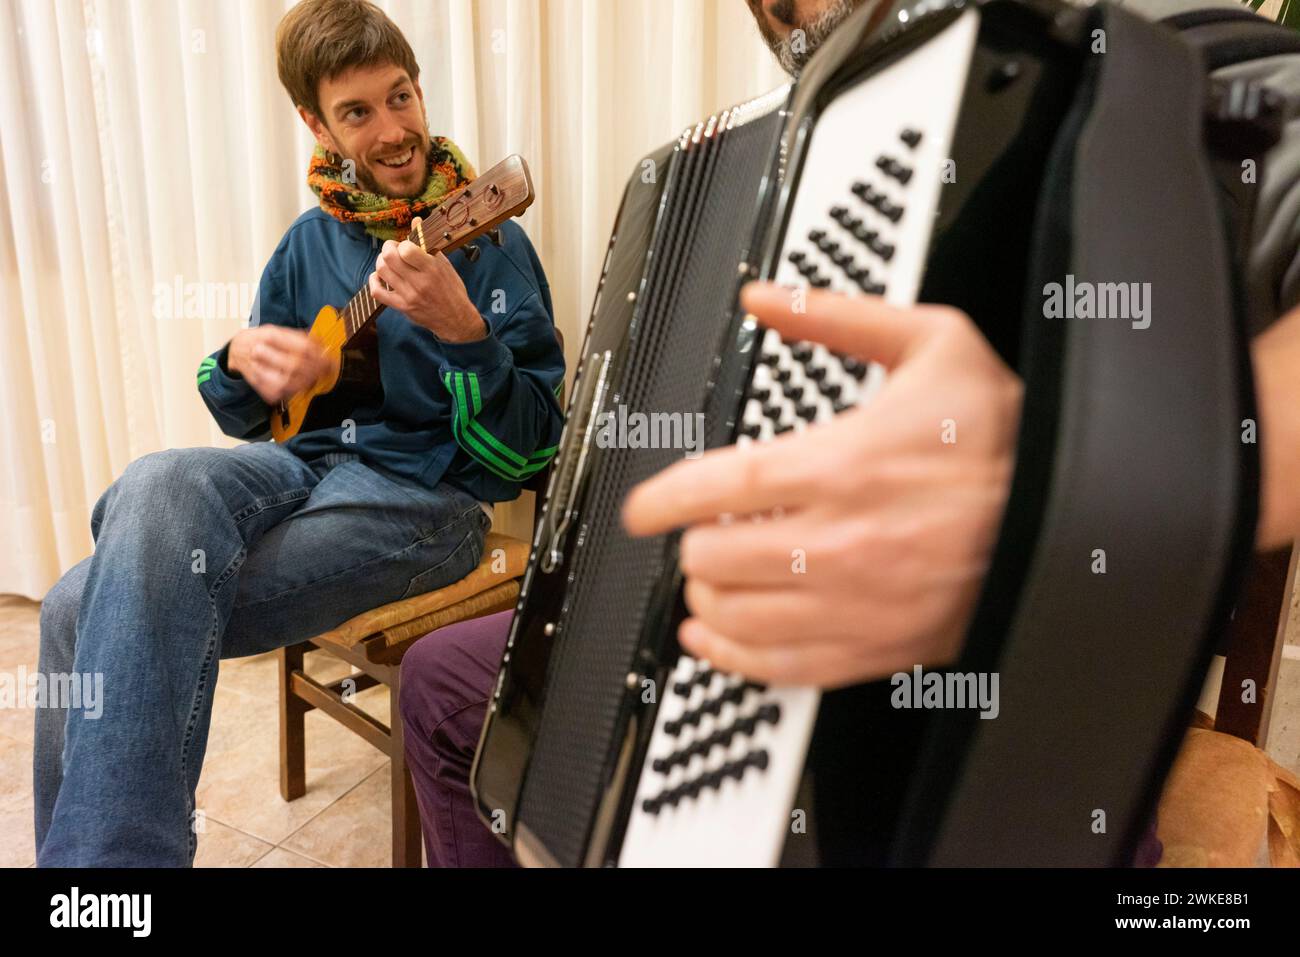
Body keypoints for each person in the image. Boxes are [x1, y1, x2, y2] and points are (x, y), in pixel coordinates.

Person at [398, 0, 1300, 866]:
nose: (802, 35)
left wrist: (1069, 488)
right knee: (445, 686)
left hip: (1018, 668)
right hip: (763, 592)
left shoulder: (1132, 44)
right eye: (775, 18)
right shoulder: (782, 168)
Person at [33, 0, 565, 867]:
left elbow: (539, 448)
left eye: (401, 98)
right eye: (358, 112)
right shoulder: (305, 245)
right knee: (158, 479)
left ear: (421, 90)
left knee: (75, 605)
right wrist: (244, 361)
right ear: (315, 123)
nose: (394, 131)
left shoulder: (489, 244)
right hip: (299, 472)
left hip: (424, 504)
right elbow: (247, 409)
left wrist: (468, 337)